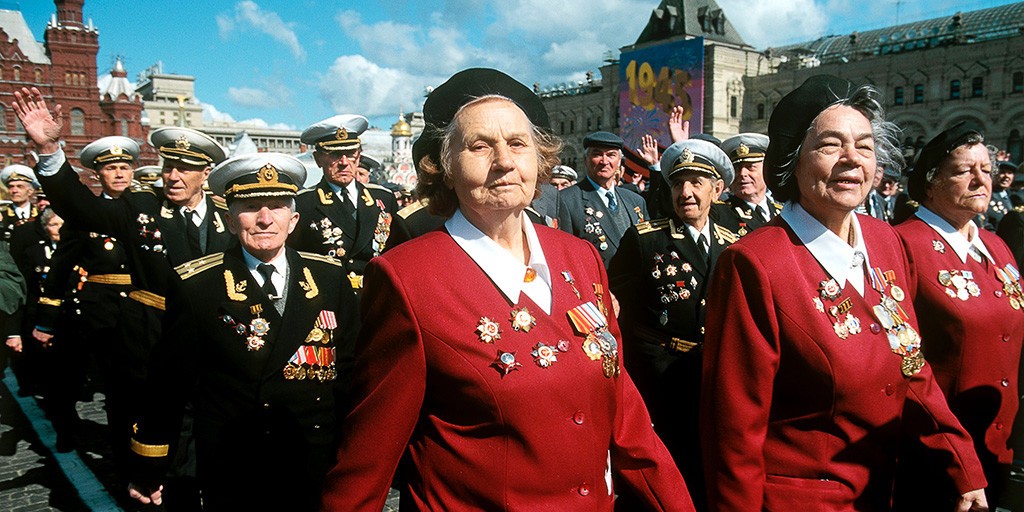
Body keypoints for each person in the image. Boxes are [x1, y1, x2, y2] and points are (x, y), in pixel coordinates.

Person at [320, 67, 693, 511]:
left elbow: (625, 414)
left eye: (518, 143)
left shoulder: (579, 257)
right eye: (480, 146)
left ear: (540, 158)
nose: (504, 161)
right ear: (444, 167)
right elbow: (369, 455)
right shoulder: (406, 278)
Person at [700, 74, 988, 511]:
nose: (852, 160)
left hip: (885, 492)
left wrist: (963, 466)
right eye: (831, 145)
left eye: (866, 146)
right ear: (793, 160)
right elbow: (733, 430)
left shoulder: (886, 241)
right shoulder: (754, 263)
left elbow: (912, 367)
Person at [13, 85, 233, 506]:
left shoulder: (227, 217)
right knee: (149, 421)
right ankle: (153, 485)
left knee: (207, 423)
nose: (172, 175)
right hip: (151, 336)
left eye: (186, 168)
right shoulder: (139, 208)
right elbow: (80, 207)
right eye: (169, 165)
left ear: (206, 173)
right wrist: (49, 150)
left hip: (211, 341)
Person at [127, 153, 358, 511]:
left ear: (293, 219)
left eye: (278, 207)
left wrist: (356, 452)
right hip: (234, 458)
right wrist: (150, 462)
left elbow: (348, 371)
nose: (265, 219)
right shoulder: (197, 285)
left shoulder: (330, 278)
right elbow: (169, 383)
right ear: (231, 221)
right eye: (251, 207)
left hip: (313, 452)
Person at [893, 122, 1024, 510]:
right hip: (934, 451)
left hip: (996, 444)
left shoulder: (996, 246)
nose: (980, 179)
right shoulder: (904, 243)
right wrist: (954, 454)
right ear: (931, 182)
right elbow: (902, 359)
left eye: (985, 169)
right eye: (964, 170)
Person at [608, 139, 739, 510]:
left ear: (717, 189)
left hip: (710, 370)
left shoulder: (733, 245)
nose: (687, 193)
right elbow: (614, 303)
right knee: (659, 466)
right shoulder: (647, 239)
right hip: (658, 372)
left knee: (704, 458)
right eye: (679, 183)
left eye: (697, 183)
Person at [31, 136, 137, 453]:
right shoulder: (83, 217)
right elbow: (60, 269)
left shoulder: (148, 209)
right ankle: (118, 447)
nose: (119, 174)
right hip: (100, 314)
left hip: (145, 312)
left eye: (124, 167)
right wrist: (46, 321)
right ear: (97, 175)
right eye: (111, 168)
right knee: (113, 387)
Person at [289, 114, 399, 292]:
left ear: (358, 156)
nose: (344, 163)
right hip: (329, 300)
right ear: (318, 159)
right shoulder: (304, 203)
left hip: (378, 296)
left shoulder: (383, 199)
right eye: (335, 154)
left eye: (350, 154)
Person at [559, 131, 650, 266]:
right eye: (597, 154)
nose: (604, 161)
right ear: (585, 159)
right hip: (598, 284)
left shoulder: (635, 201)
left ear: (619, 162)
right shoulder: (567, 200)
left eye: (611, 155)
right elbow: (565, 256)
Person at [718, 133, 781, 236]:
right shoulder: (721, 212)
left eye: (750, 167)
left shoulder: (782, 212)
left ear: (766, 169)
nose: (742, 174)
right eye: (737, 169)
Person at [0, 164, 41, 242]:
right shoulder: (3, 216)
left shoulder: (40, 214)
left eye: (19, 186)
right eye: (11, 187)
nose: (14, 191)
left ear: (30, 191)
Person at [986, 160, 1020, 230]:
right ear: (994, 175)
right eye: (1002, 172)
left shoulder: (1014, 198)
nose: (1006, 176)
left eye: (1010, 173)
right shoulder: (988, 197)